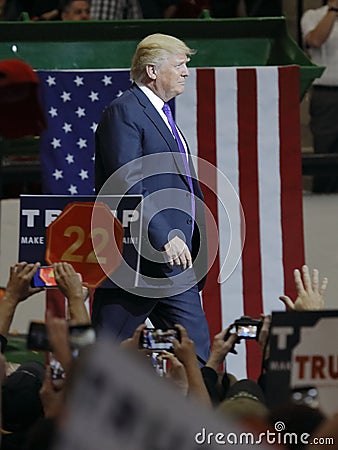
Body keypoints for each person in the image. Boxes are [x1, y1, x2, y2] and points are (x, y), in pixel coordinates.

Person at [93, 33, 210, 365]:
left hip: (176, 267)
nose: (187, 71)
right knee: (104, 358)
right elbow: (125, 182)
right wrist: (163, 236)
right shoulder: (125, 111)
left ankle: (201, 416)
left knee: (197, 357)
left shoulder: (163, 114)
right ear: (152, 70)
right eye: (180, 64)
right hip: (137, 261)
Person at [301, 1, 338, 193]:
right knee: (326, 149)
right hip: (327, 93)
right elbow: (315, 40)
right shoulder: (312, 16)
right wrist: (333, 11)